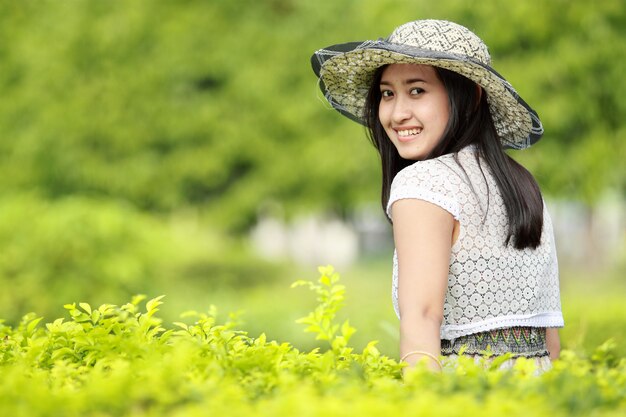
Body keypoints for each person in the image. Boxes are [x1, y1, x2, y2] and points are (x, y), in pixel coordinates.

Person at [310, 19, 564, 373]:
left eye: (417, 91)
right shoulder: (522, 186)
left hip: (465, 393)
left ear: (471, 96)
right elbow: (550, 338)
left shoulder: (424, 184)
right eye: (387, 93)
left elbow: (422, 319)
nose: (398, 113)